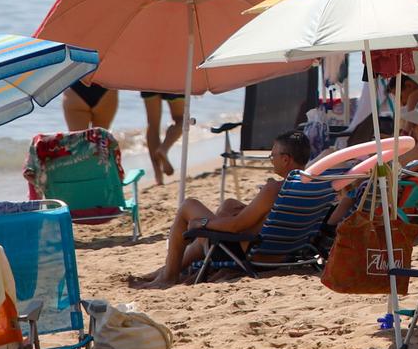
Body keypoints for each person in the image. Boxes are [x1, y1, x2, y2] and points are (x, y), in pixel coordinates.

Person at [131, 130, 313, 287]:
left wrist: (203, 223)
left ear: (286, 159)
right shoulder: (312, 185)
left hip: (251, 253)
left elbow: (235, 227)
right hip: (283, 252)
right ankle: (170, 269)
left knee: (189, 206)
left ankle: (168, 276)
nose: (271, 160)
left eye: (272, 156)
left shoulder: (273, 189)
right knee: (229, 204)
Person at [142, 90, 188, 187]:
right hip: (173, 78)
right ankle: (164, 148)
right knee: (181, 120)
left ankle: (158, 176)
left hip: (147, 78)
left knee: (153, 124)